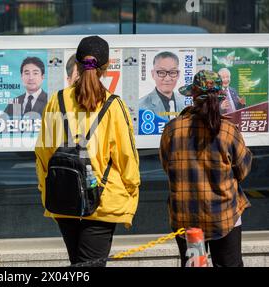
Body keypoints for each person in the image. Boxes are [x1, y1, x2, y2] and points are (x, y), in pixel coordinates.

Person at [35, 36, 140, 267]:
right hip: (102, 200)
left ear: (78, 65)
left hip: (63, 197)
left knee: (78, 265)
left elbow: (44, 151)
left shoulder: (57, 100)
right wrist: (131, 193)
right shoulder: (114, 105)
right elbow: (126, 157)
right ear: (106, 67)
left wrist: (46, 186)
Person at [159, 70, 252, 267]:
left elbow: (167, 167)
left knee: (195, 265)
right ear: (220, 98)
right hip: (224, 217)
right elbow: (243, 170)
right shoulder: (228, 130)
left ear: (192, 97)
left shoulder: (172, 129)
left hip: (187, 220)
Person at [139, 51, 186, 120]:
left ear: (178, 74)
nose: (167, 79)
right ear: (153, 74)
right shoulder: (141, 106)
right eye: (161, 72)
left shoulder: (186, 102)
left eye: (172, 72)